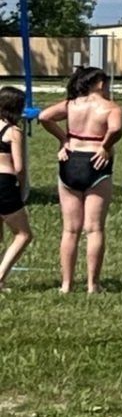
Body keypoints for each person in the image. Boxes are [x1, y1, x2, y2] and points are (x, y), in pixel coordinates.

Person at [36, 67, 122, 295]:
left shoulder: (71, 104)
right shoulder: (110, 107)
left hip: (71, 160)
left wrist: (64, 138)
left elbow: (44, 116)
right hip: (97, 162)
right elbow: (116, 128)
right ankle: (92, 285)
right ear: (99, 83)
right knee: (94, 229)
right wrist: (105, 146)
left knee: (70, 230)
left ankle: (66, 285)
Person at [0, 86, 32, 290]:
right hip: (3, 183)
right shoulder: (13, 132)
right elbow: (19, 167)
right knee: (23, 234)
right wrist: (21, 189)